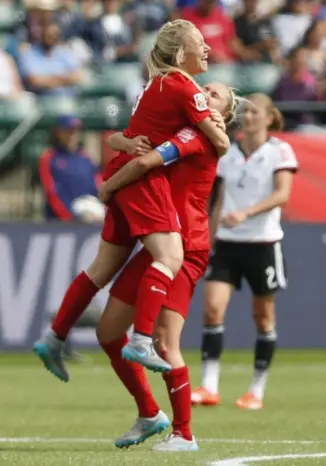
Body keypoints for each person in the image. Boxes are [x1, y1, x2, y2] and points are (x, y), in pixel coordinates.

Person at [33, 19, 231, 381]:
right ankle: (141, 339)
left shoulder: (155, 85)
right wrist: (217, 125)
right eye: (199, 43)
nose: (206, 48)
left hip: (123, 177)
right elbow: (220, 144)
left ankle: (54, 337)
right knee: (170, 256)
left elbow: (120, 139)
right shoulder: (185, 88)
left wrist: (113, 174)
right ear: (179, 52)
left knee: (102, 268)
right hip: (142, 181)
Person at [85, 83, 235, 452]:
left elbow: (145, 162)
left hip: (185, 245)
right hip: (161, 241)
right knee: (108, 332)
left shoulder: (196, 135)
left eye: (214, 95)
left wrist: (107, 189)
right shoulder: (182, 126)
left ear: (224, 116)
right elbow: (126, 139)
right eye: (205, 90)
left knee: (165, 341)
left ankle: (184, 433)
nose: (204, 94)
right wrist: (122, 141)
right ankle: (150, 413)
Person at [190, 93, 297, 410]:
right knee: (212, 309)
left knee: (262, 318)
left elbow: (282, 195)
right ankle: (209, 386)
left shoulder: (280, 151)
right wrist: (206, 241)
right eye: (245, 113)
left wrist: (246, 213)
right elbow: (219, 201)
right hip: (227, 243)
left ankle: (257, 391)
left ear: (268, 117)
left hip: (263, 244)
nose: (248, 118)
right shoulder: (228, 153)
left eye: (255, 113)